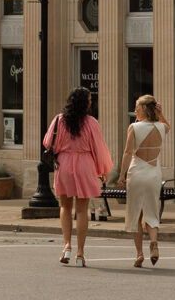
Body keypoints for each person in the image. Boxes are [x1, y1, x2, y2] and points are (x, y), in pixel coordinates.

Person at [43, 86, 113, 268]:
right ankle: (80, 253)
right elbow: (99, 148)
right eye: (90, 100)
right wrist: (102, 170)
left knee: (65, 207)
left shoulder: (59, 120)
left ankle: (67, 246)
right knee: (82, 210)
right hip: (85, 164)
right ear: (85, 103)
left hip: (64, 164)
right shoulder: (91, 123)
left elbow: (47, 142)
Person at [116, 94, 171, 267]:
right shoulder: (161, 127)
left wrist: (121, 175)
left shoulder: (134, 127)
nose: (135, 110)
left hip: (137, 172)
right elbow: (166, 125)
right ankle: (153, 243)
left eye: (137, 107)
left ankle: (139, 254)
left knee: (136, 213)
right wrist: (160, 113)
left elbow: (127, 152)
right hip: (154, 173)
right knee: (152, 211)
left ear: (145, 108)